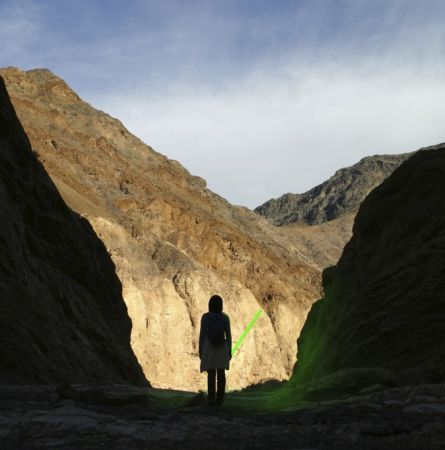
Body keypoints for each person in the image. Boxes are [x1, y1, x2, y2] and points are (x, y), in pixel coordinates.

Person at [199, 295, 232, 406]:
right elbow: (228, 336)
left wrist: (200, 350)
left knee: (211, 374)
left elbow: (202, 335)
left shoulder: (205, 317)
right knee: (221, 374)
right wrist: (229, 350)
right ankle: (220, 400)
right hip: (222, 347)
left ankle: (211, 399)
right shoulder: (225, 318)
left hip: (209, 348)